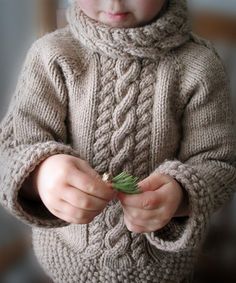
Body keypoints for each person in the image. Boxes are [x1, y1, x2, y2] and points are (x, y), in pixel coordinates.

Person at [0, 0, 235, 282]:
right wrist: (41, 175)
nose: (114, 2)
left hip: (163, 270)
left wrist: (181, 195)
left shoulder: (198, 66)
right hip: (65, 265)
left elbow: (220, 163)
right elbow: (11, 152)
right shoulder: (52, 55)